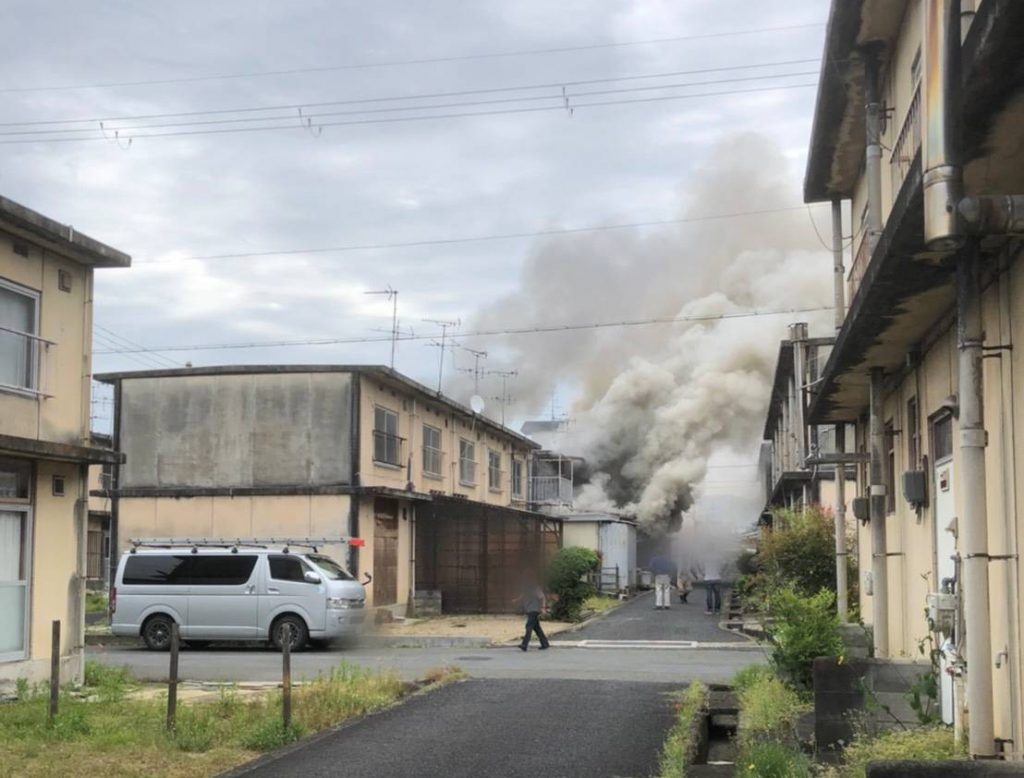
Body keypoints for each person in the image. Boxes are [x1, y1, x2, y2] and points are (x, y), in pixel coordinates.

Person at [515, 571, 550, 651]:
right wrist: (516, 600)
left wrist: (543, 608)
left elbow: (542, 597)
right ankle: (545, 643)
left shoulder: (535, 587)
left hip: (534, 610)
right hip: (529, 609)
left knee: (528, 626)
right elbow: (523, 595)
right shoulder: (526, 587)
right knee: (537, 628)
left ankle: (524, 644)